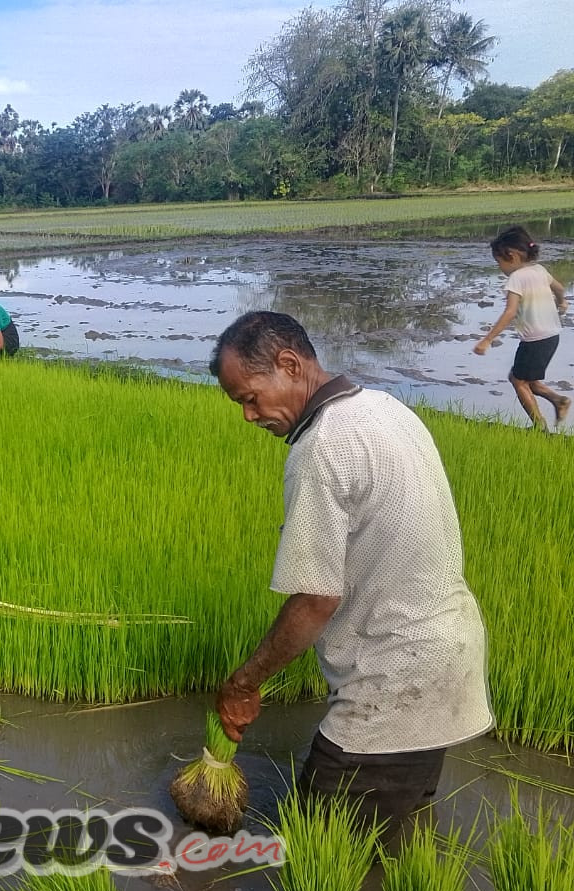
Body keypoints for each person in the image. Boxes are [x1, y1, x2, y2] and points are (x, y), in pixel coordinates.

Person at [210, 311, 493, 827]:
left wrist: (244, 683)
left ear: (289, 364)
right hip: (449, 659)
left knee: (321, 847)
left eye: (249, 398)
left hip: (393, 683)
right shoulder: (386, 408)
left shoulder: (321, 447)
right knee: (395, 848)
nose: (249, 417)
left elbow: (315, 599)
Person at [473, 225, 570, 431]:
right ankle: (558, 401)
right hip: (552, 336)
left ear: (512, 256)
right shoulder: (539, 270)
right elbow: (560, 288)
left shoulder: (516, 278)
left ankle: (539, 427)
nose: (500, 267)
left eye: (499, 262)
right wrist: (562, 303)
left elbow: (509, 312)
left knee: (518, 381)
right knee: (528, 380)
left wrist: (487, 340)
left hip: (534, 340)